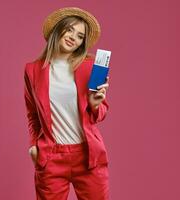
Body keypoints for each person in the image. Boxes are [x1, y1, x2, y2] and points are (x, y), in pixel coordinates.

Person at [24, 7, 110, 200]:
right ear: (58, 29)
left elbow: (101, 113)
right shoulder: (32, 71)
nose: (73, 37)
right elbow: (32, 113)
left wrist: (95, 104)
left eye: (80, 36)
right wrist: (33, 146)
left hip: (88, 155)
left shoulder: (90, 66)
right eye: (70, 29)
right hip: (52, 156)